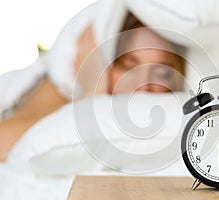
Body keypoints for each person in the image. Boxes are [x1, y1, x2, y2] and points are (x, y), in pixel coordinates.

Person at [0, 13, 185, 162]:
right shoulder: (55, 89)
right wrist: (90, 93)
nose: (143, 86)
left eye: (162, 74)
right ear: (105, 62)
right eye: (129, 66)